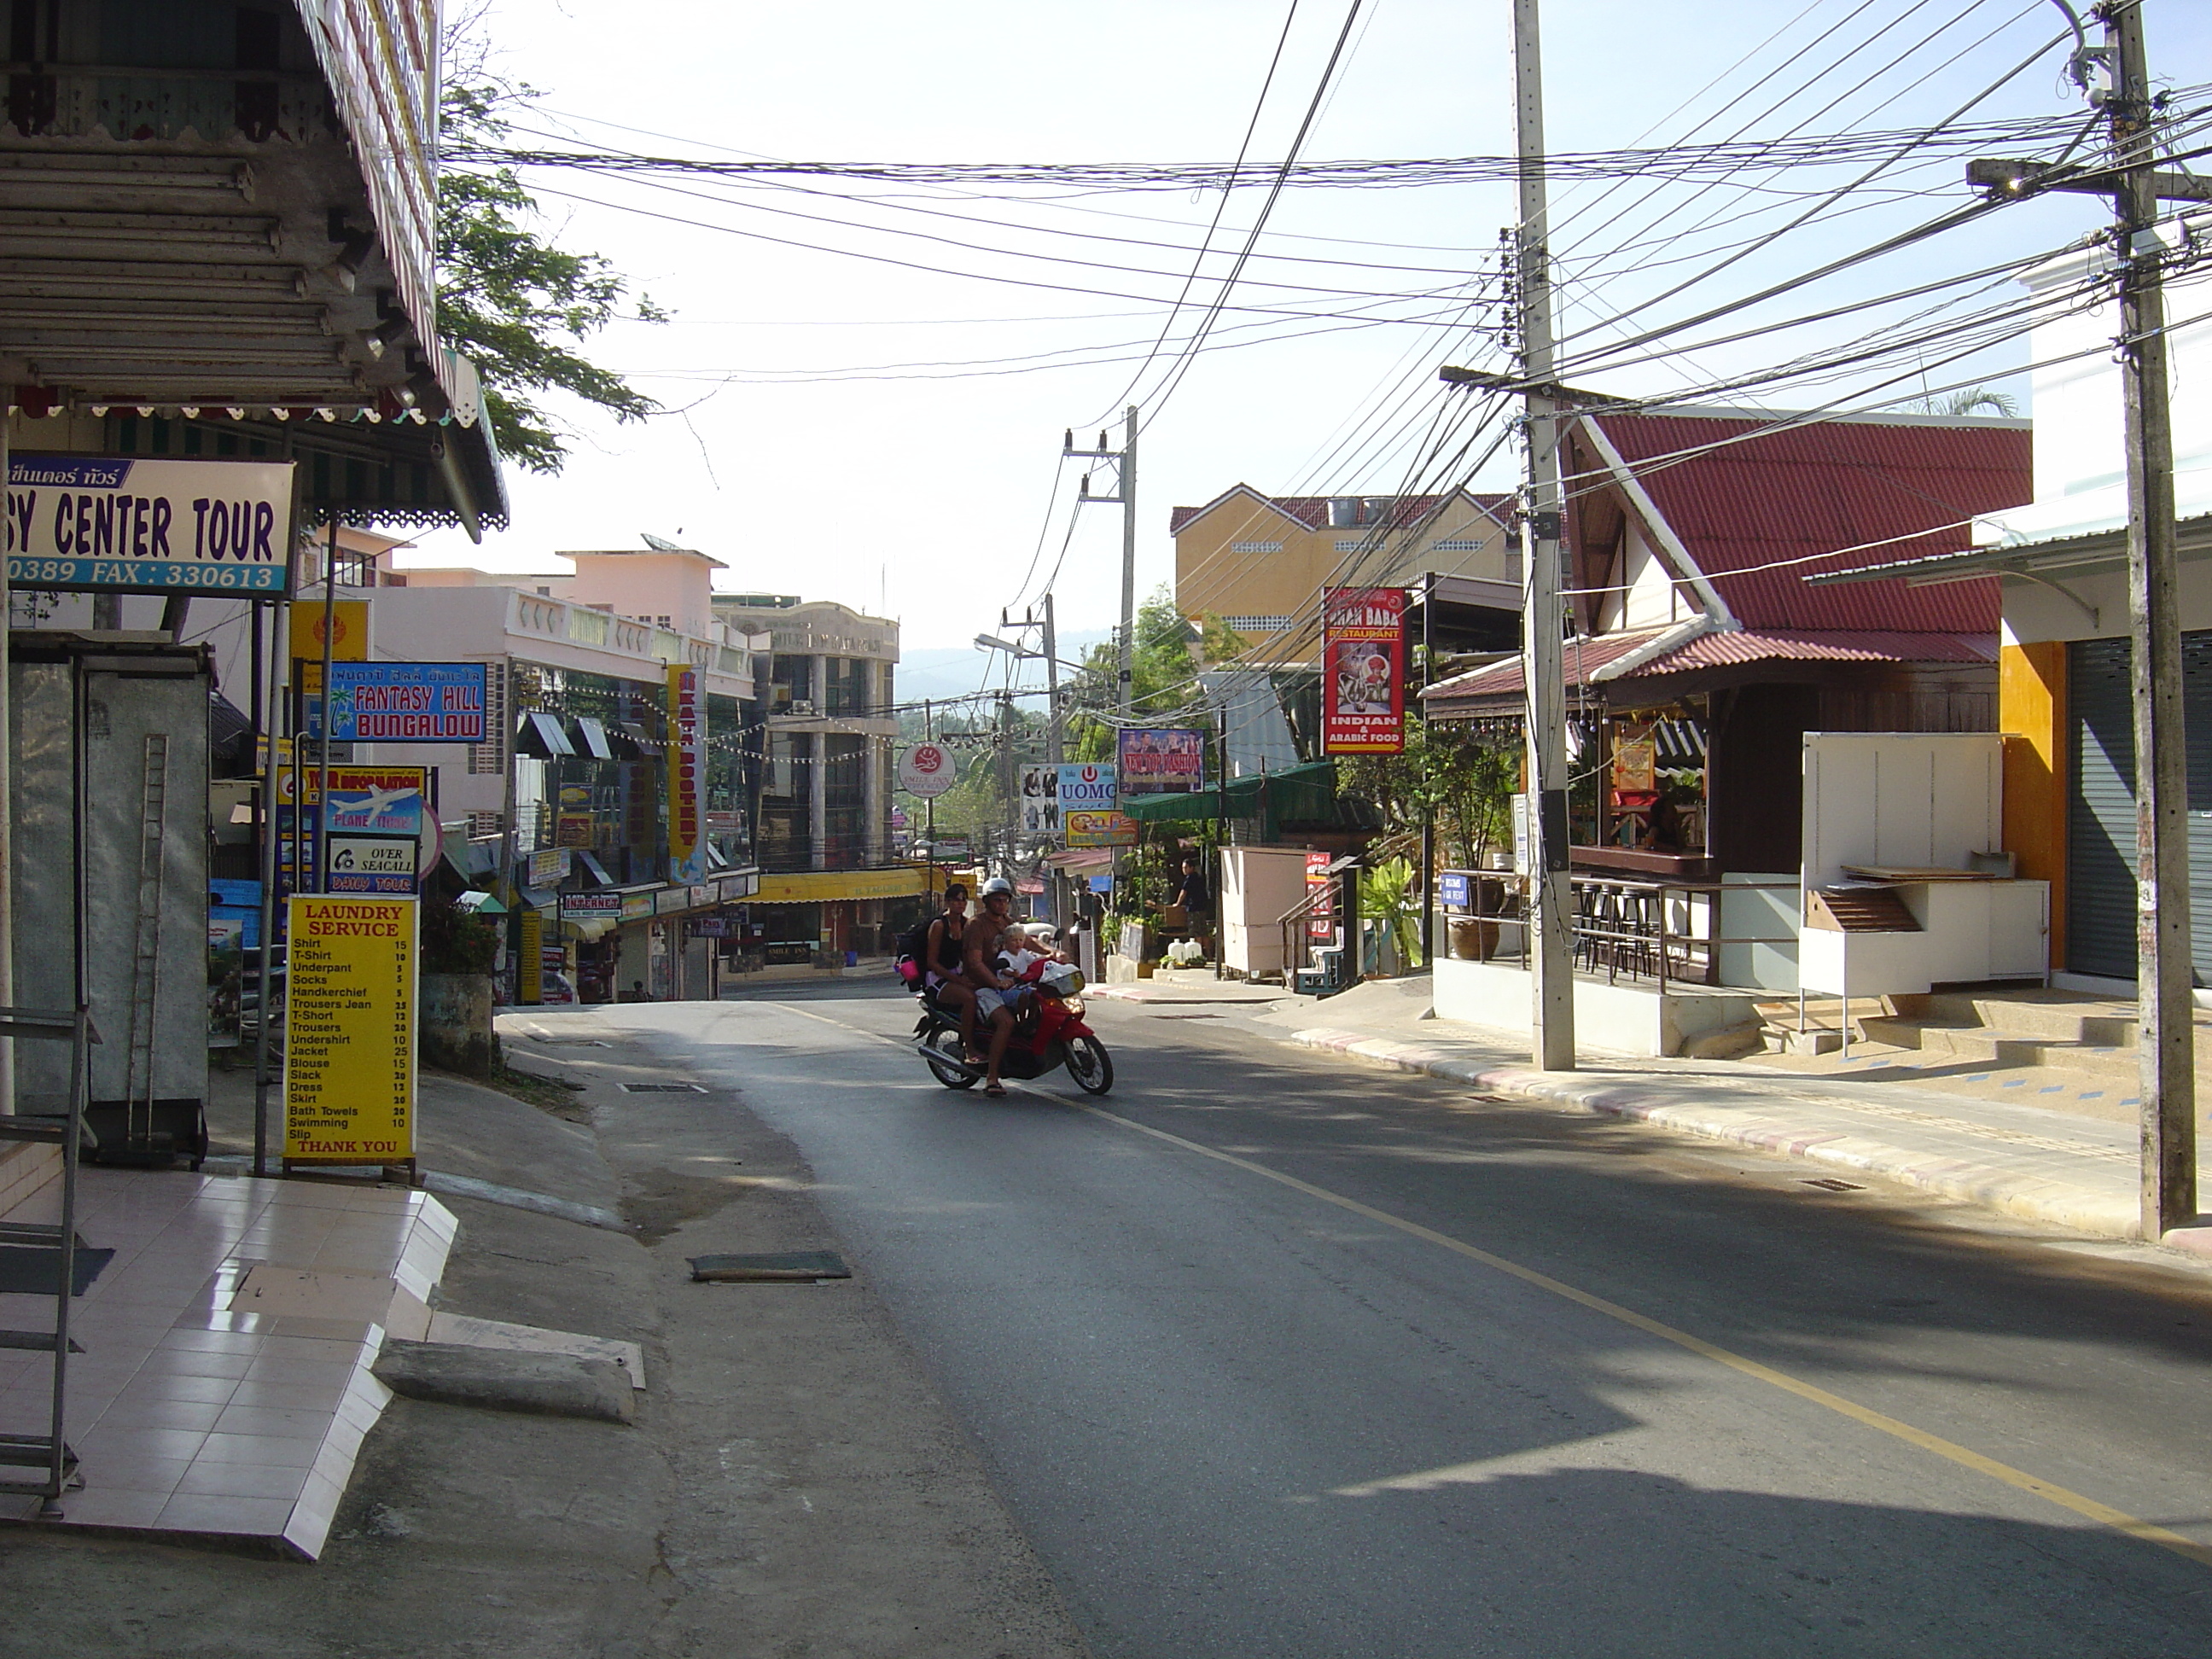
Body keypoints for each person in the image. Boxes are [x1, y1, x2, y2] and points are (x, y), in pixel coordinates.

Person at [962, 877, 1024, 1096]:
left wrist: (1051, 952)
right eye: (997, 900)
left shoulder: (1006, 922)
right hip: (983, 986)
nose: (1001, 904)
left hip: (1006, 983)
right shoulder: (976, 925)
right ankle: (992, 1078)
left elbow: (1025, 941)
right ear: (987, 901)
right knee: (1006, 1022)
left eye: (1005, 900)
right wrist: (995, 981)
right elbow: (975, 962)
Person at [923, 883, 975, 1041]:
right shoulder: (939, 925)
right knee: (970, 999)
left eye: (964, 900)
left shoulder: (967, 924)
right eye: (956, 900)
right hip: (938, 980)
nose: (961, 903)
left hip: (959, 976)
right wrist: (958, 980)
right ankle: (969, 1048)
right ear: (947, 902)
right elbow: (932, 962)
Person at [1172, 853, 1213, 940]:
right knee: (1203, 932)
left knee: (1196, 932)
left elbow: (1184, 892)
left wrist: (1178, 903)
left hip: (1194, 908)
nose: (1184, 870)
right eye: (1183, 868)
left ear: (1191, 868)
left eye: (1186, 867)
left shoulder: (1189, 878)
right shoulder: (1198, 877)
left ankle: (1199, 951)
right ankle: (1208, 953)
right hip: (1202, 908)